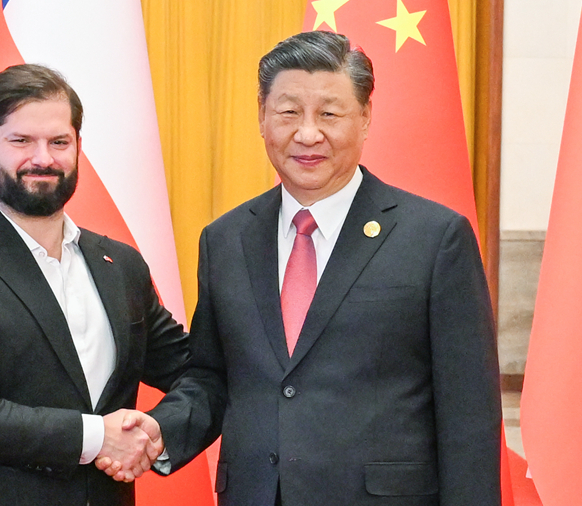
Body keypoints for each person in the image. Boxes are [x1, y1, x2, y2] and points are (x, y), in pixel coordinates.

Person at [104, 31, 502, 505]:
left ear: (366, 117)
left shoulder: (435, 238)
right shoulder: (225, 239)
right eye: (289, 112)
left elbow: (468, 416)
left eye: (329, 114)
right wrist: (159, 430)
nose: (308, 134)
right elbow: (214, 377)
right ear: (262, 116)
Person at [0, 64, 187, 506]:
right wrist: (99, 436)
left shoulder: (121, 265)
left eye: (59, 142)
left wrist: (156, 431)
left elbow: (191, 368)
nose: (43, 158)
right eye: (21, 141)